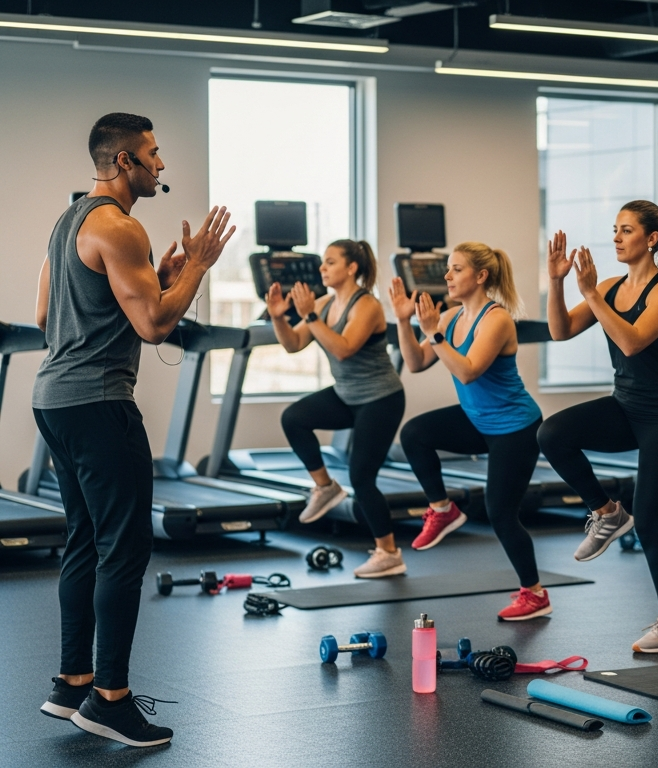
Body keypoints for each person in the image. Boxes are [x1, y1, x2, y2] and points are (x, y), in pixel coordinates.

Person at [35, 113, 233, 746]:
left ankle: (73, 682)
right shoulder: (121, 227)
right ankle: (110, 701)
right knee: (124, 550)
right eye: (153, 152)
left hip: (53, 402)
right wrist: (197, 267)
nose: (161, 164)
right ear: (125, 161)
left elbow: (45, 314)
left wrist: (160, 279)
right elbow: (154, 326)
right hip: (99, 405)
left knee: (84, 539)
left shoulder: (68, 221)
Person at [537, 200, 658, 653]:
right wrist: (557, 281)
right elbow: (560, 331)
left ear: (651, 239)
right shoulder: (609, 287)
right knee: (553, 434)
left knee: (650, 525)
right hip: (625, 407)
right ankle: (607, 513)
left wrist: (591, 294)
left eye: (626, 230)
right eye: (615, 229)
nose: (616, 238)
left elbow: (630, 342)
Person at [391, 243, 549, 620]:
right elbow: (415, 363)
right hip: (477, 419)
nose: (447, 276)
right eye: (448, 269)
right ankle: (442, 509)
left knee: (501, 514)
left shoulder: (497, 320)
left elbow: (467, 371)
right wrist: (404, 322)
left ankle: (535, 594)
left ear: (481, 276)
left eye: (456, 269)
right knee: (414, 434)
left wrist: (435, 335)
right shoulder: (449, 317)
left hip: (515, 427)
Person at [265, 240, 407, 578]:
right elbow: (293, 344)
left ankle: (388, 553)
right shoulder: (325, 303)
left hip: (380, 399)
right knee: (294, 418)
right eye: (323, 262)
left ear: (352, 268)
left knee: (362, 477)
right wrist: (278, 317)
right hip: (346, 394)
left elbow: (343, 349)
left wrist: (310, 315)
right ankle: (325, 486)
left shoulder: (367, 305)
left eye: (330, 262)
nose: (322, 268)